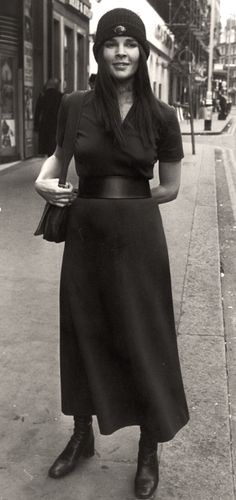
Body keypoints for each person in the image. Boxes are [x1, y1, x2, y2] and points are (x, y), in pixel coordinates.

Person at [35, 8, 189, 499]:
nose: (120, 53)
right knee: (83, 331)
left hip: (140, 240)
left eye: (130, 45)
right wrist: (43, 181)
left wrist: (126, 208)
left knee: (144, 338)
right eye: (110, 44)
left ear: (143, 53)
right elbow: (60, 159)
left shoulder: (163, 116)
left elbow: (168, 189)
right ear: (98, 52)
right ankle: (82, 436)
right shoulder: (76, 105)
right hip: (85, 238)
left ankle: (148, 447)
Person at [34, 77, 63, 156]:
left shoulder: (43, 95)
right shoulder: (60, 96)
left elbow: (37, 112)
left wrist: (36, 125)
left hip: (45, 124)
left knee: (47, 145)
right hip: (56, 124)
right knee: (54, 146)